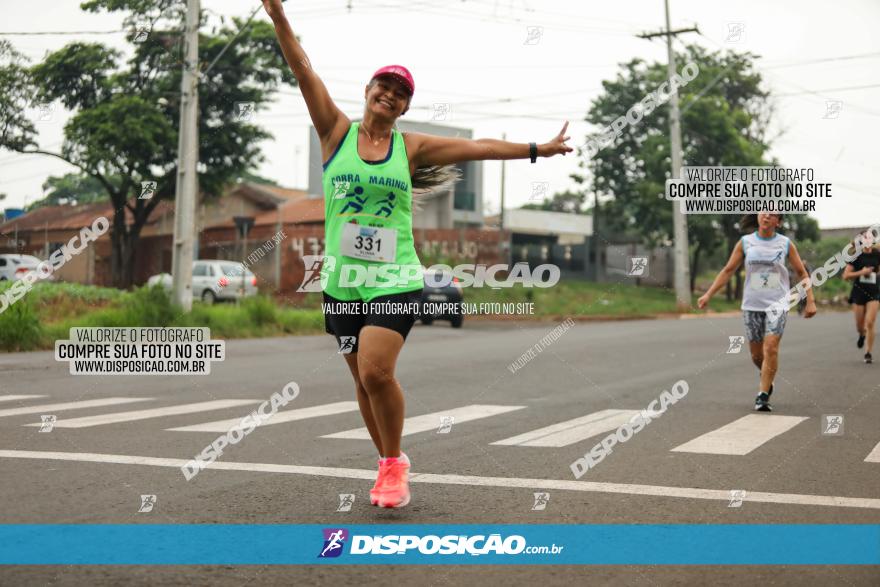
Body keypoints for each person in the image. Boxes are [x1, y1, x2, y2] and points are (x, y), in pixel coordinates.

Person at [262, 0, 572, 508]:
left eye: (400, 92)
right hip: (341, 282)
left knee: (375, 372)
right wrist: (279, 17)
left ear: (404, 107)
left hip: (396, 276)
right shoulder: (333, 133)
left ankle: (392, 465)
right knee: (363, 384)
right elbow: (302, 67)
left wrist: (539, 148)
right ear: (368, 92)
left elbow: (485, 149)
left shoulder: (411, 149)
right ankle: (390, 462)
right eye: (384, 85)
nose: (390, 94)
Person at [697, 213, 817, 411]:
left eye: (772, 215)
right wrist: (708, 294)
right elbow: (728, 270)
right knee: (756, 354)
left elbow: (802, 272)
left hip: (777, 304)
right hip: (752, 305)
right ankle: (766, 376)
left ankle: (762, 395)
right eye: (763, 212)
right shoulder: (745, 242)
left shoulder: (785, 243)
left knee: (771, 348)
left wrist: (810, 300)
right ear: (758, 217)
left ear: (778, 222)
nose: (766, 216)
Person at [842, 229, 880, 363]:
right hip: (858, 293)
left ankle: (868, 352)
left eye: (870, 237)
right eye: (865, 238)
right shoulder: (855, 256)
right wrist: (861, 272)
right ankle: (861, 335)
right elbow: (846, 276)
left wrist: (875, 274)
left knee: (870, 322)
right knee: (860, 326)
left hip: (874, 292)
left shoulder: (877, 254)